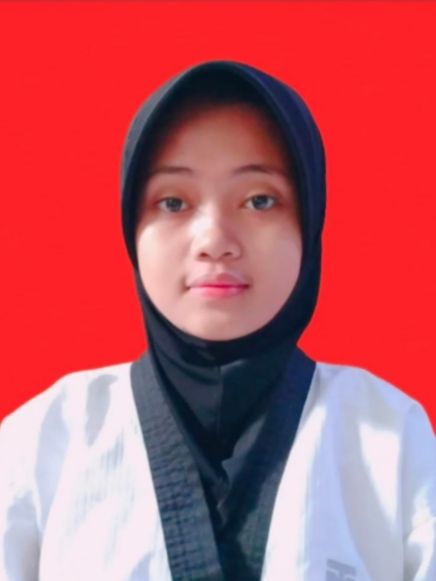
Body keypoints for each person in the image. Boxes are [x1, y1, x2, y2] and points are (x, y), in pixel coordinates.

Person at [0, 60, 435, 581]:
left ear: (309, 221)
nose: (214, 241)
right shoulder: (44, 440)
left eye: (259, 200)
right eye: (173, 202)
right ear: (132, 227)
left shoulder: (390, 435)